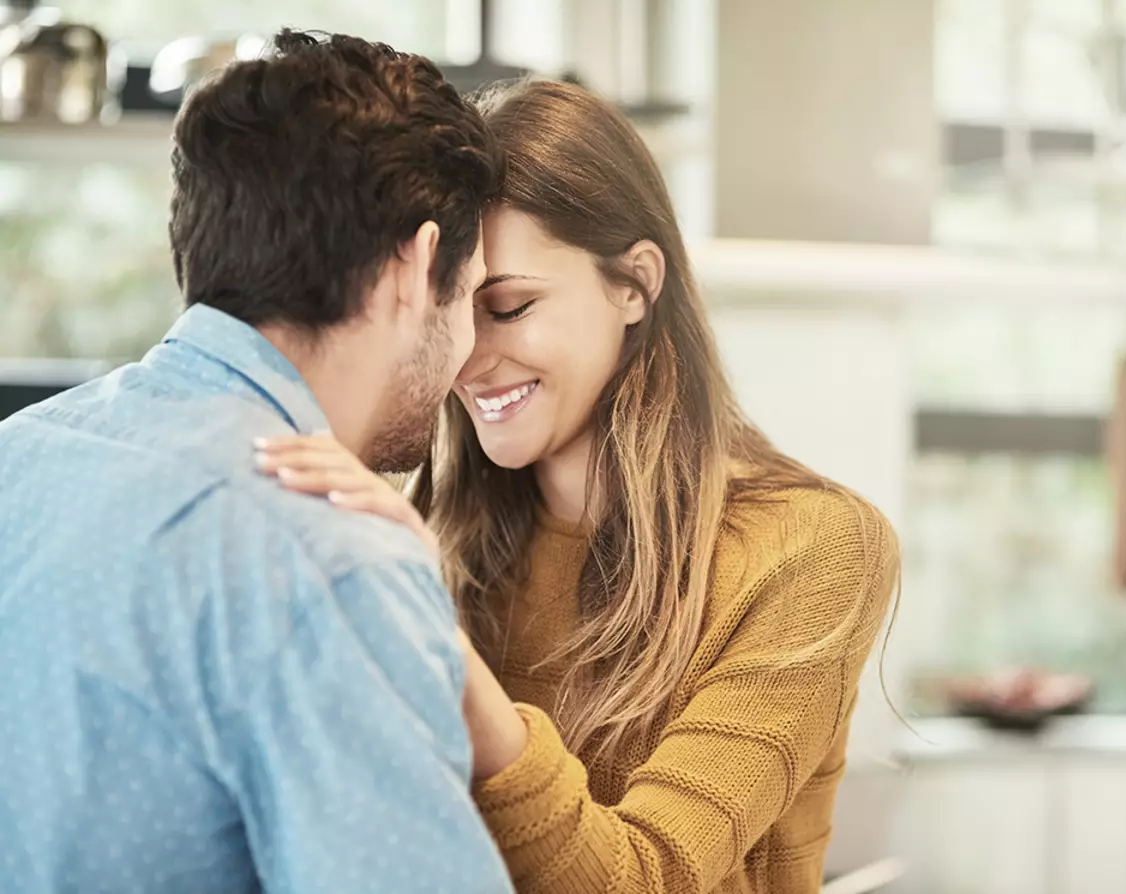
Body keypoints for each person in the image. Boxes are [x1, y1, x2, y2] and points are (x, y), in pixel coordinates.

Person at [261, 79, 900, 894]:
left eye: (513, 306)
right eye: (450, 313)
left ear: (633, 283)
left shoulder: (812, 549)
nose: (466, 357)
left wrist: (426, 630)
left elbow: (647, 879)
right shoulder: (438, 533)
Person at [0, 30, 514, 894]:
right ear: (415, 265)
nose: (471, 354)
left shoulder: (18, 457)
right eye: (475, 296)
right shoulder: (332, 559)